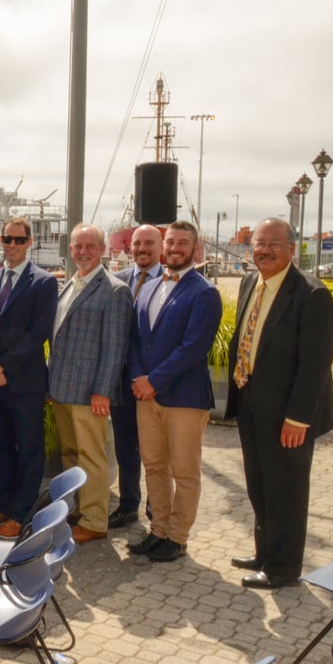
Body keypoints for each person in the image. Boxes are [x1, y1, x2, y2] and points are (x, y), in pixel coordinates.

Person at [226, 217, 333, 589]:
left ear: (291, 248)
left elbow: (316, 363)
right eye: (259, 243)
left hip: (288, 412)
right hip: (250, 402)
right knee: (259, 484)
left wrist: (299, 418)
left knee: (285, 489)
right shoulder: (249, 281)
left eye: (274, 243)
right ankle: (265, 553)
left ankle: (283, 569)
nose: (264, 250)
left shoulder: (311, 293)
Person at [125, 221, 222, 563]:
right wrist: (138, 376)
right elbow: (135, 338)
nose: (176, 247)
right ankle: (159, 530)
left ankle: (178, 538)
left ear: (195, 249)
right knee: (153, 466)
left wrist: (154, 381)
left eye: (183, 242)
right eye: (171, 242)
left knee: (184, 471)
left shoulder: (204, 292)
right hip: (146, 396)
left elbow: (193, 348)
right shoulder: (151, 287)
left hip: (183, 399)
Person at [0, 216, 58, 539]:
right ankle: (3, 507)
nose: (12, 245)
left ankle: (21, 515)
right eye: (7, 239)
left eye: (18, 240)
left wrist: (3, 367)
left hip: (25, 384)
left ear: (30, 243)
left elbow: (38, 335)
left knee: (29, 451)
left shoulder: (44, 282)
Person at [48, 223, 132, 545]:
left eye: (89, 247)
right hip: (62, 388)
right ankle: (77, 509)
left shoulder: (113, 290)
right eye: (77, 247)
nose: (82, 252)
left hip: (89, 393)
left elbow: (114, 348)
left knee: (91, 456)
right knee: (70, 453)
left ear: (102, 250)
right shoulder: (71, 284)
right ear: (70, 250)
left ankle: (95, 521)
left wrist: (102, 390)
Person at [109, 224, 163, 529]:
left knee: (156, 451)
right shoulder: (117, 281)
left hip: (154, 383)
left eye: (149, 244)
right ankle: (128, 505)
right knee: (125, 447)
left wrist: (152, 377)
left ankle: (157, 510)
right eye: (137, 243)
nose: (142, 249)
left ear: (161, 247)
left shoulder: (171, 282)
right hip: (121, 382)